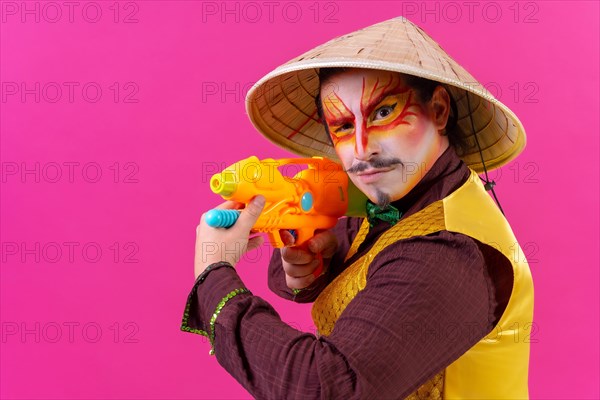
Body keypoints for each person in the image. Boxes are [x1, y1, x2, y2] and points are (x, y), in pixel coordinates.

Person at [181, 16, 534, 399]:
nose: (364, 148)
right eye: (344, 126)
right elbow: (327, 250)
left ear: (439, 110)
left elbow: (323, 388)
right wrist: (312, 265)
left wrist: (214, 275)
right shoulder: (398, 196)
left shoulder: (447, 250)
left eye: (383, 113)